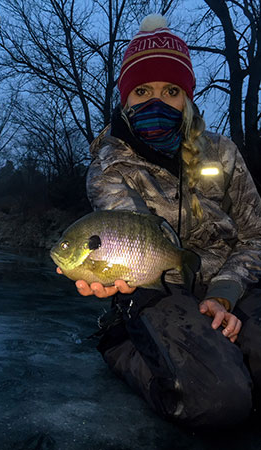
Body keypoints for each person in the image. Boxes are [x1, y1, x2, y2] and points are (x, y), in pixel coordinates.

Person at [57, 14, 261, 428]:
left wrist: (223, 295)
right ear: (125, 100)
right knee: (220, 399)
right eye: (142, 91)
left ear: (187, 97)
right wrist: (111, 272)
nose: (156, 101)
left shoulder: (223, 153)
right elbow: (132, 240)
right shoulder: (110, 167)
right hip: (158, 291)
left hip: (233, 283)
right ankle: (123, 345)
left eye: (171, 91)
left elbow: (255, 235)